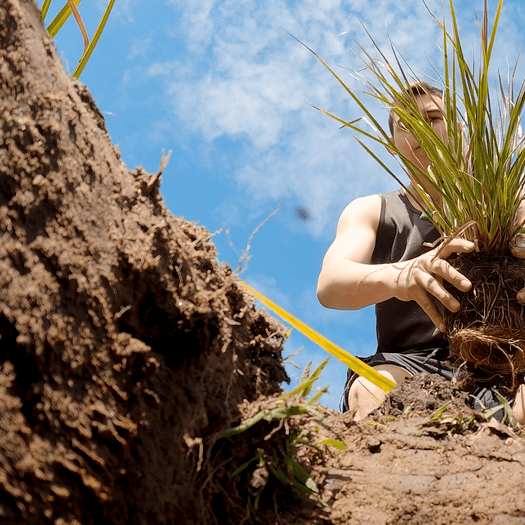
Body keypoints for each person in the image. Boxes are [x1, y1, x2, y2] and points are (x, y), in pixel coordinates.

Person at [316, 81, 525, 422]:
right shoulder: (372, 210)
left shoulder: (511, 200)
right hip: (409, 363)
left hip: (510, 360)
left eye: (432, 118)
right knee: (371, 390)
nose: (421, 131)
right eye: (406, 126)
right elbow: (330, 284)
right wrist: (402, 274)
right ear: (392, 145)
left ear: (459, 131)